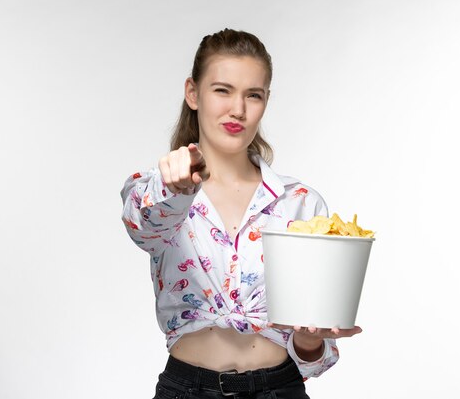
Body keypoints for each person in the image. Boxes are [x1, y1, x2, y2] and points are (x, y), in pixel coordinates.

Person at [120, 28, 362, 399]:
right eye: (222, 90)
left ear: (265, 102)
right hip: (187, 390)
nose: (238, 109)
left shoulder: (298, 203)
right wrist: (175, 187)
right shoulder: (158, 192)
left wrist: (308, 339)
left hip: (278, 389)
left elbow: (313, 360)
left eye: (253, 95)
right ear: (192, 93)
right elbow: (143, 229)